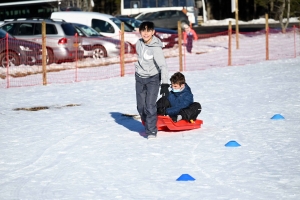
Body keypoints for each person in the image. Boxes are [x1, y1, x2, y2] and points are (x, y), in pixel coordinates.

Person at [134, 21, 169, 139]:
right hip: (139, 77)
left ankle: (151, 131)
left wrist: (165, 83)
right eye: (143, 30)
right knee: (140, 107)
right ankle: (149, 122)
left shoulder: (156, 48)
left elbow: (163, 66)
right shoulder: (138, 43)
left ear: (153, 32)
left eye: (149, 30)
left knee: (150, 105)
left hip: (153, 79)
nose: (146, 33)